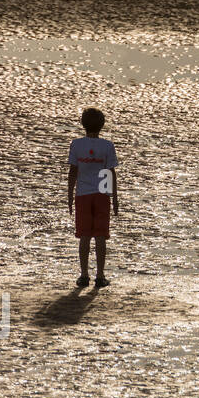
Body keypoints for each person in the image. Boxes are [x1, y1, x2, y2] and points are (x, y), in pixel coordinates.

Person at [67, 107, 119, 288]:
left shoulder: (76, 144)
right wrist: (115, 198)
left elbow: (72, 172)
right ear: (102, 125)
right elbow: (111, 173)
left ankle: (83, 275)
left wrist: (69, 196)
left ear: (83, 124)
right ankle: (100, 275)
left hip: (83, 195)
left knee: (84, 236)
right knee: (100, 236)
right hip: (102, 193)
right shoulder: (107, 146)